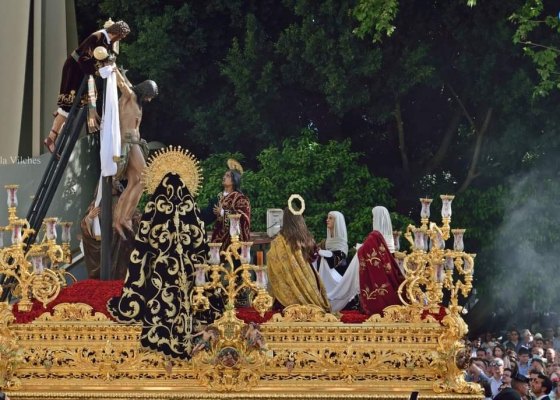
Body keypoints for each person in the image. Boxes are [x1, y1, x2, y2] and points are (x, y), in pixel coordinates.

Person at [107, 172, 222, 360]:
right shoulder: (190, 208)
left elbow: (142, 246)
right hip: (191, 276)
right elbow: (201, 243)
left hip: (160, 274)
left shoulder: (155, 208)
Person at [44, 20, 130, 154]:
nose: (121, 39)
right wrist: (97, 71)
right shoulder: (97, 37)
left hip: (81, 72)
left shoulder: (107, 41)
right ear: (117, 33)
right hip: (74, 70)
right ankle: (51, 137)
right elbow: (83, 59)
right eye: (121, 36)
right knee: (67, 106)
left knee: (72, 107)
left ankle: (52, 137)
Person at [111, 69, 158, 238]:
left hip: (135, 142)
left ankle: (119, 219)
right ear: (145, 91)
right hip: (129, 142)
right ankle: (125, 217)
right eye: (149, 96)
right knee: (146, 176)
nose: (149, 100)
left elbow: (126, 81)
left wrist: (122, 72)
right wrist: (112, 65)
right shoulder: (130, 96)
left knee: (134, 182)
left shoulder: (135, 99)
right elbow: (122, 84)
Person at [266, 207, 330, 312]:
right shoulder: (305, 238)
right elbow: (313, 256)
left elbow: (272, 259)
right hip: (307, 282)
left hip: (285, 292)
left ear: (284, 220)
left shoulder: (278, 241)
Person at [80, 180, 140, 279]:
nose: (113, 185)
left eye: (115, 184)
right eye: (110, 184)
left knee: (122, 270)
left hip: (121, 243)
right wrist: (89, 218)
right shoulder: (97, 204)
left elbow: (135, 217)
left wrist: (130, 222)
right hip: (105, 244)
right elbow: (85, 226)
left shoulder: (123, 201)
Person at [358, 206, 404, 315]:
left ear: (378, 218)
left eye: (373, 217)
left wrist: (360, 249)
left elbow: (364, 251)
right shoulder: (388, 237)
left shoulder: (374, 236)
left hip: (379, 275)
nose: (372, 220)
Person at [317, 211, 360, 312]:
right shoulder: (325, 242)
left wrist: (322, 253)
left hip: (339, 276)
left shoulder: (341, 242)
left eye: (330, 218)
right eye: (327, 218)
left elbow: (338, 259)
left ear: (337, 222)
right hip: (325, 278)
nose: (327, 220)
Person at [203, 160, 251, 251]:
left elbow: (243, 218)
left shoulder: (240, 199)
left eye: (228, 176)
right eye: (224, 175)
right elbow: (206, 216)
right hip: (219, 240)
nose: (224, 177)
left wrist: (222, 212)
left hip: (234, 242)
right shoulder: (218, 198)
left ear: (234, 180)